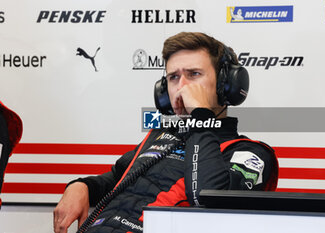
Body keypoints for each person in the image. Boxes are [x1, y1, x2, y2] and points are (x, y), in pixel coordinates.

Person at [53, 32, 279, 233]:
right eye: (173, 77)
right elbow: (117, 179)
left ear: (225, 84)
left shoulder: (252, 153)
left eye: (194, 74)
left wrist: (201, 116)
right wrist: (81, 186)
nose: (181, 86)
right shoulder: (161, 136)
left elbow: (207, 203)